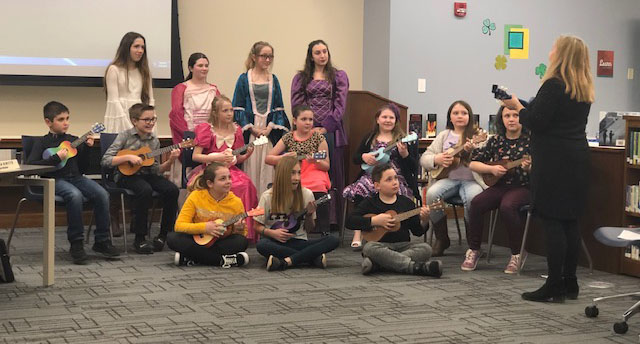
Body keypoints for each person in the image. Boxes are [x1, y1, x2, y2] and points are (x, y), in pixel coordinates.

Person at [502, 35, 594, 302]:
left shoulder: (553, 84)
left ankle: (553, 285)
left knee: (553, 220)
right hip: (576, 157)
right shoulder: (582, 88)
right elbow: (551, 117)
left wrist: (516, 106)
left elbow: (536, 122)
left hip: (554, 161)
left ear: (562, 54)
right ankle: (569, 282)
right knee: (570, 221)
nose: (550, 50)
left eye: (554, 47)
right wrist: (524, 106)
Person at [27, 101, 120, 264]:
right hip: (54, 179)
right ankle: (76, 244)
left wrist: (88, 149)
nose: (66, 123)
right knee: (74, 195)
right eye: (61, 119)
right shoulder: (41, 143)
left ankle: (102, 241)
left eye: (67, 118)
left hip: (76, 177)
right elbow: (31, 166)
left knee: (102, 194)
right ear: (48, 122)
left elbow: (83, 167)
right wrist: (56, 159)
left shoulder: (74, 140)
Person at [101, 103, 180, 254]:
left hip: (148, 174)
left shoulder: (154, 140)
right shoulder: (124, 136)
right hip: (125, 175)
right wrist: (129, 157)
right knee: (144, 190)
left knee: (171, 190)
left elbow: (156, 169)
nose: (151, 123)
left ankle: (164, 235)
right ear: (134, 121)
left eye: (153, 119)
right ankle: (140, 238)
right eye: (147, 120)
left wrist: (170, 161)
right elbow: (105, 160)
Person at [460, 106, 531, 273]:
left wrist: (529, 168)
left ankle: (517, 253)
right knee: (476, 202)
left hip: (524, 187)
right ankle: (474, 249)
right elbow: (473, 163)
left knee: (508, 206)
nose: (512, 119)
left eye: (516, 115)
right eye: (507, 115)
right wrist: (491, 170)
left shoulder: (531, 141)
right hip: (500, 186)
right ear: (502, 119)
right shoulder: (496, 140)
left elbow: (540, 169)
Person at [291, 39, 349, 231]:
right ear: (311, 56)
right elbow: (297, 105)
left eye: (325, 51)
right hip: (307, 131)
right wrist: (309, 127)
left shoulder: (339, 76)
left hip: (331, 131)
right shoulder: (301, 78)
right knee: (309, 171)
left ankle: (331, 220)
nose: (322, 55)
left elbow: (340, 106)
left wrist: (324, 128)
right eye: (318, 52)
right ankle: (307, 218)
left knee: (331, 173)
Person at [343, 103, 419, 249]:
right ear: (377, 119)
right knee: (361, 187)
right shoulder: (370, 137)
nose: (388, 120)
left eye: (392, 117)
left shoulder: (403, 138)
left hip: (396, 175)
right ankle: (359, 231)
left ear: (396, 121)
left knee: (395, 189)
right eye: (384, 117)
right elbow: (356, 158)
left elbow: (413, 166)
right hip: (372, 175)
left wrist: (405, 154)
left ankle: (395, 232)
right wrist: (364, 156)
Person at [346, 164, 442, 277]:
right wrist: (374, 220)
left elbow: (417, 231)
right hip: (380, 245)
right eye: (389, 179)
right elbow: (350, 221)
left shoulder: (406, 202)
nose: (395, 182)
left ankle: (379, 263)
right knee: (369, 248)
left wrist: (424, 220)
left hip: (404, 245)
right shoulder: (370, 203)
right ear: (377, 186)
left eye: (396, 178)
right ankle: (415, 267)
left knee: (426, 249)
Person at [420, 100, 486, 256]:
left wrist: (471, 151)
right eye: (456, 113)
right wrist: (437, 159)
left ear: (470, 116)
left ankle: (473, 243)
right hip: (447, 179)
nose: (460, 116)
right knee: (431, 193)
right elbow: (424, 158)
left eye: (464, 113)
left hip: (472, 181)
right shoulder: (443, 135)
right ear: (450, 117)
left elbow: (486, 159)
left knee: (473, 199)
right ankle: (442, 239)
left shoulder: (478, 136)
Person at [189, 95, 259, 242]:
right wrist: (216, 158)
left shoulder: (236, 130)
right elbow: (196, 156)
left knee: (244, 185)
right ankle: (211, 227)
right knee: (214, 183)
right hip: (208, 170)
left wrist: (246, 155)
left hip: (229, 170)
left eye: (231, 110)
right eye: (225, 111)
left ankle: (240, 229)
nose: (229, 114)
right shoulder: (206, 129)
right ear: (215, 113)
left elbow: (235, 159)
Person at [254, 156, 339, 271]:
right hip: (276, 242)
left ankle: (286, 262)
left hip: (299, 240)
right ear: (282, 174)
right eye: (292, 173)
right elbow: (257, 226)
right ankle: (311, 257)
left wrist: (309, 215)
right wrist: (272, 233)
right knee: (262, 245)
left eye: (299, 173)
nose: (297, 178)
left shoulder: (307, 194)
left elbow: (309, 229)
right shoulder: (267, 196)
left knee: (333, 240)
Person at [233, 41, 290, 195]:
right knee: (252, 165)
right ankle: (252, 202)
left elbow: (279, 107)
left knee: (267, 166)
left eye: (270, 56)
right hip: (251, 129)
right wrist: (252, 128)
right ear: (254, 57)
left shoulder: (273, 79)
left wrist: (269, 128)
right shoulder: (244, 79)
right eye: (264, 56)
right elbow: (238, 107)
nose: (267, 60)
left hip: (268, 129)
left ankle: (267, 204)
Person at [168, 162, 249, 268]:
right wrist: (205, 228)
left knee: (241, 242)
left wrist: (239, 229)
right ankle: (222, 260)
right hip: (197, 239)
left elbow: (242, 233)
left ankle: (192, 257)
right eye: (222, 179)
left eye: (229, 177)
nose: (228, 182)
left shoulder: (236, 202)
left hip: (219, 242)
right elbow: (179, 226)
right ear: (210, 183)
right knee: (172, 238)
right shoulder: (195, 196)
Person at [265, 105, 331, 235]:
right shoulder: (288, 137)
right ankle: (289, 224)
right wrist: (284, 157)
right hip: (294, 170)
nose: (308, 122)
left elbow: (326, 165)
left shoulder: (319, 138)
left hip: (314, 171)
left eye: (310, 120)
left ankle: (321, 228)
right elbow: (268, 158)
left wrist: (316, 160)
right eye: (304, 119)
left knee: (318, 184)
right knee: (292, 181)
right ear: (295, 121)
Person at [168, 52, 221, 186]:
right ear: (191, 68)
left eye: (206, 66)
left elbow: (219, 113)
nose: (204, 68)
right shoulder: (181, 88)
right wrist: (190, 137)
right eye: (200, 65)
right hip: (189, 137)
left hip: (209, 138)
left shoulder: (213, 90)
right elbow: (176, 114)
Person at [103, 32, 154, 133]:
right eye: (136, 47)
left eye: (142, 47)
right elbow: (113, 101)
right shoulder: (114, 69)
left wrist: (150, 120)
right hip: (120, 117)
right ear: (126, 48)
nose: (140, 50)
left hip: (141, 118)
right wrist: (130, 126)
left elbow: (150, 99)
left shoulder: (144, 71)